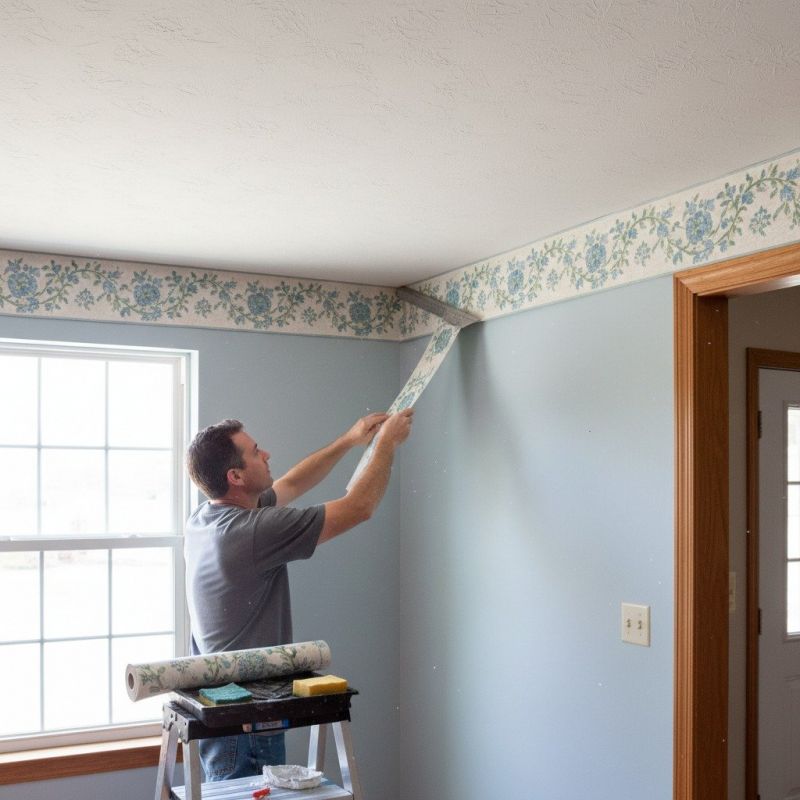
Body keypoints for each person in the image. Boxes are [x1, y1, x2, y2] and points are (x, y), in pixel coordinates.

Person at [184, 409, 413, 781]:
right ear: (236, 476)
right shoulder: (250, 533)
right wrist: (387, 443)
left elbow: (291, 483)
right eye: (256, 451)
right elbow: (359, 507)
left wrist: (349, 440)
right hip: (247, 721)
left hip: (229, 713)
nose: (267, 454)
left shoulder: (206, 519)